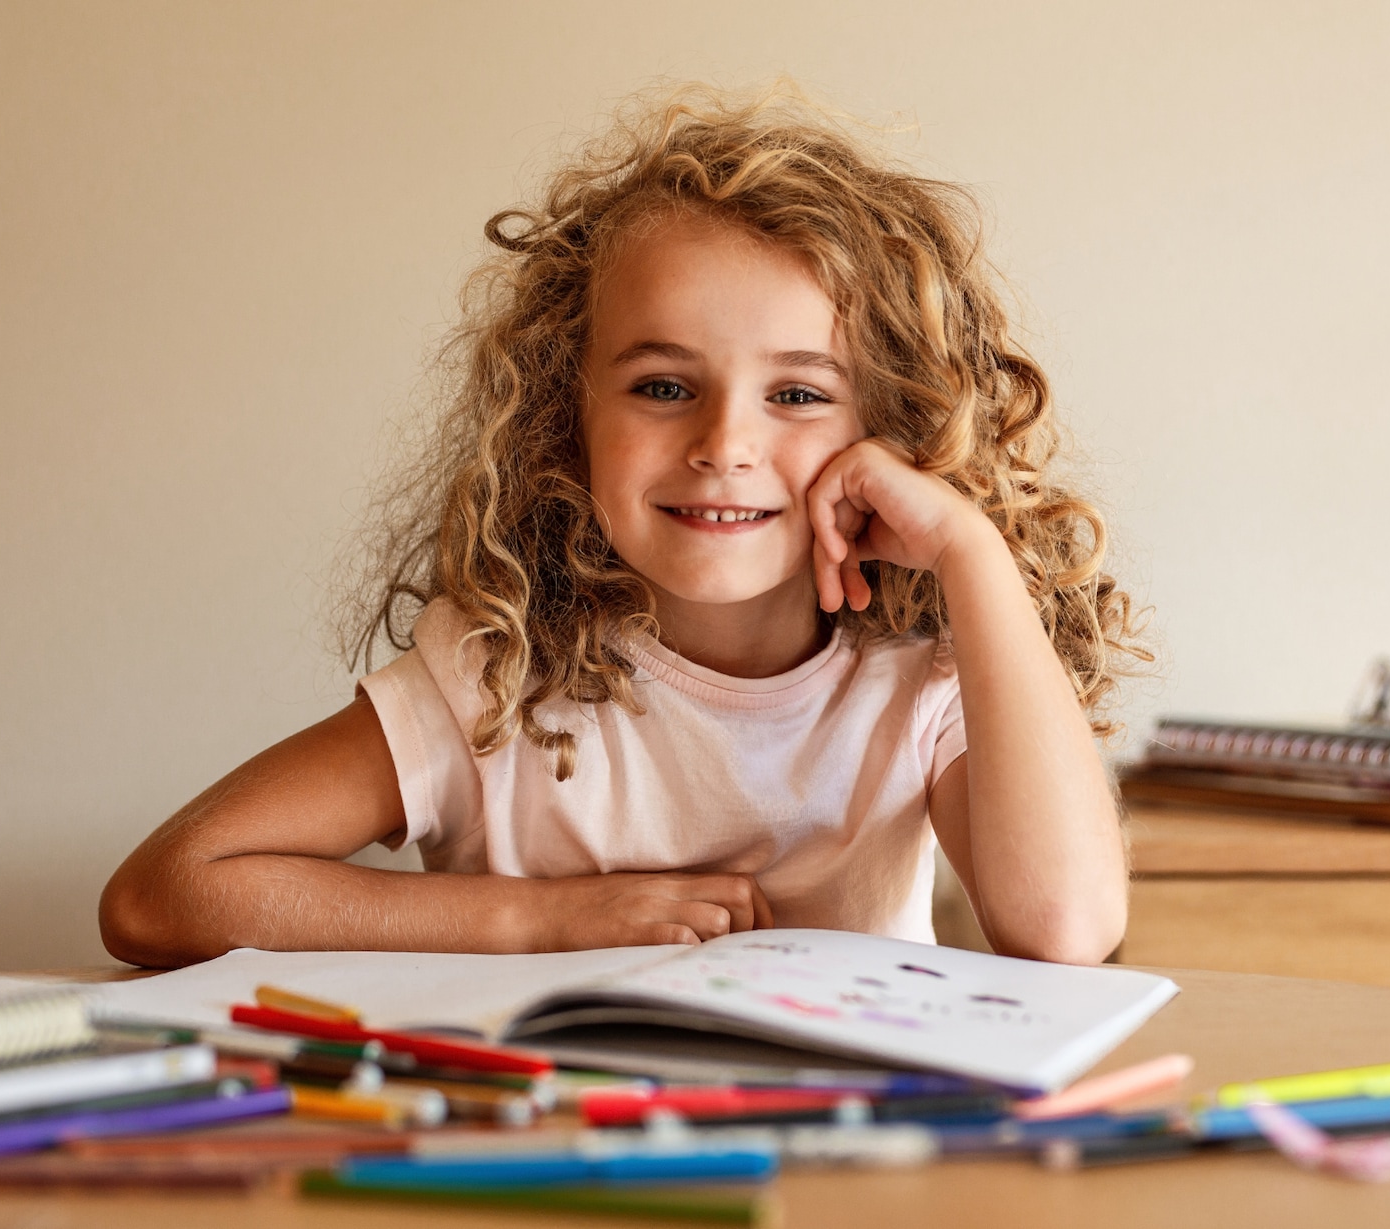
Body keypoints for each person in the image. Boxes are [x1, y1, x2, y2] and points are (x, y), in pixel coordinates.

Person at [99, 87, 1148, 969]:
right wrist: (541, 918)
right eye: (660, 384)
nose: (723, 441)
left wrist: (969, 551)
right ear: (567, 418)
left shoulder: (920, 677)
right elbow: (162, 895)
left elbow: (1064, 928)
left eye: (796, 395)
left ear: (895, 426)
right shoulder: (495, 671)